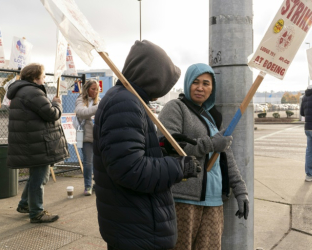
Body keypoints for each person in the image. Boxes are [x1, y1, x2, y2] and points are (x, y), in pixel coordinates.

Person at [93, 40, 201, 250]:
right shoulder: (125, 102)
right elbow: (130, 169)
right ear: (153, 77)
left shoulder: (126, 99)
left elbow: (128, 153)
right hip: (137, 228)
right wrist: (178, 166)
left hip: (133, 224)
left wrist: (161, 148)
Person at [158, 63, 249, 250]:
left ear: (212, 89)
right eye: (196, 82)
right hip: (183, 199)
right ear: (188, 83)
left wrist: (241, 191)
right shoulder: (175, 107)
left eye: (206, 84)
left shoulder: (211, 117)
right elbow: (168, 146)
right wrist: (210, 144)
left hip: (214, 201)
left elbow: (226, 158)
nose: (201, 88)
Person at [7, 63, 69, 223]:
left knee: (36, 176)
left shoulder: (21, 91)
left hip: (31, 142)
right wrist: (57, 103)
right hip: (38, 143)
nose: (44, 79)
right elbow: (51, 114)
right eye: (42, 76)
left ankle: (25, 204)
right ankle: (37, 213)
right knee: (39, 178)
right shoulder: (32, 92)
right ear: (35, 77)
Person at [74, 79, 100, 196]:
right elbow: (82, 112)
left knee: (99, 163)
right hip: (85, 137)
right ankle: (88, 186)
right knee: (88, 163)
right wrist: (99, 108)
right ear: (87, 89)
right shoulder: (81, 100)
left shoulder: (99, 101)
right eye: (92, 89)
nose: (95, 91)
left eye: (97, 89)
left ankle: (98, 184)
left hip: (98, 137)